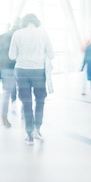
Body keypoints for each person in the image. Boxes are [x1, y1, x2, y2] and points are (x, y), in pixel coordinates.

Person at [8, 13, 54, 145]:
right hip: (39, 71)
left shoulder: (17, 34)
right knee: (40, 101)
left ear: (24, 22)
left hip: (22, 71)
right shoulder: (43, 34)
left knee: (26, 102)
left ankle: (29, 136)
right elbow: (51, 54)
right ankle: (37, 130)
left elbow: (11, 56)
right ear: (36, 21)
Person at [0, 20, 20, 128]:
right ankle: (4, 117)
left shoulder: (2, 35)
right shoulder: (15, 38)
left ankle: (5, 115)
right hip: (10, 67)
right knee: (9, 92)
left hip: (0, 65)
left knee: (8, 91)